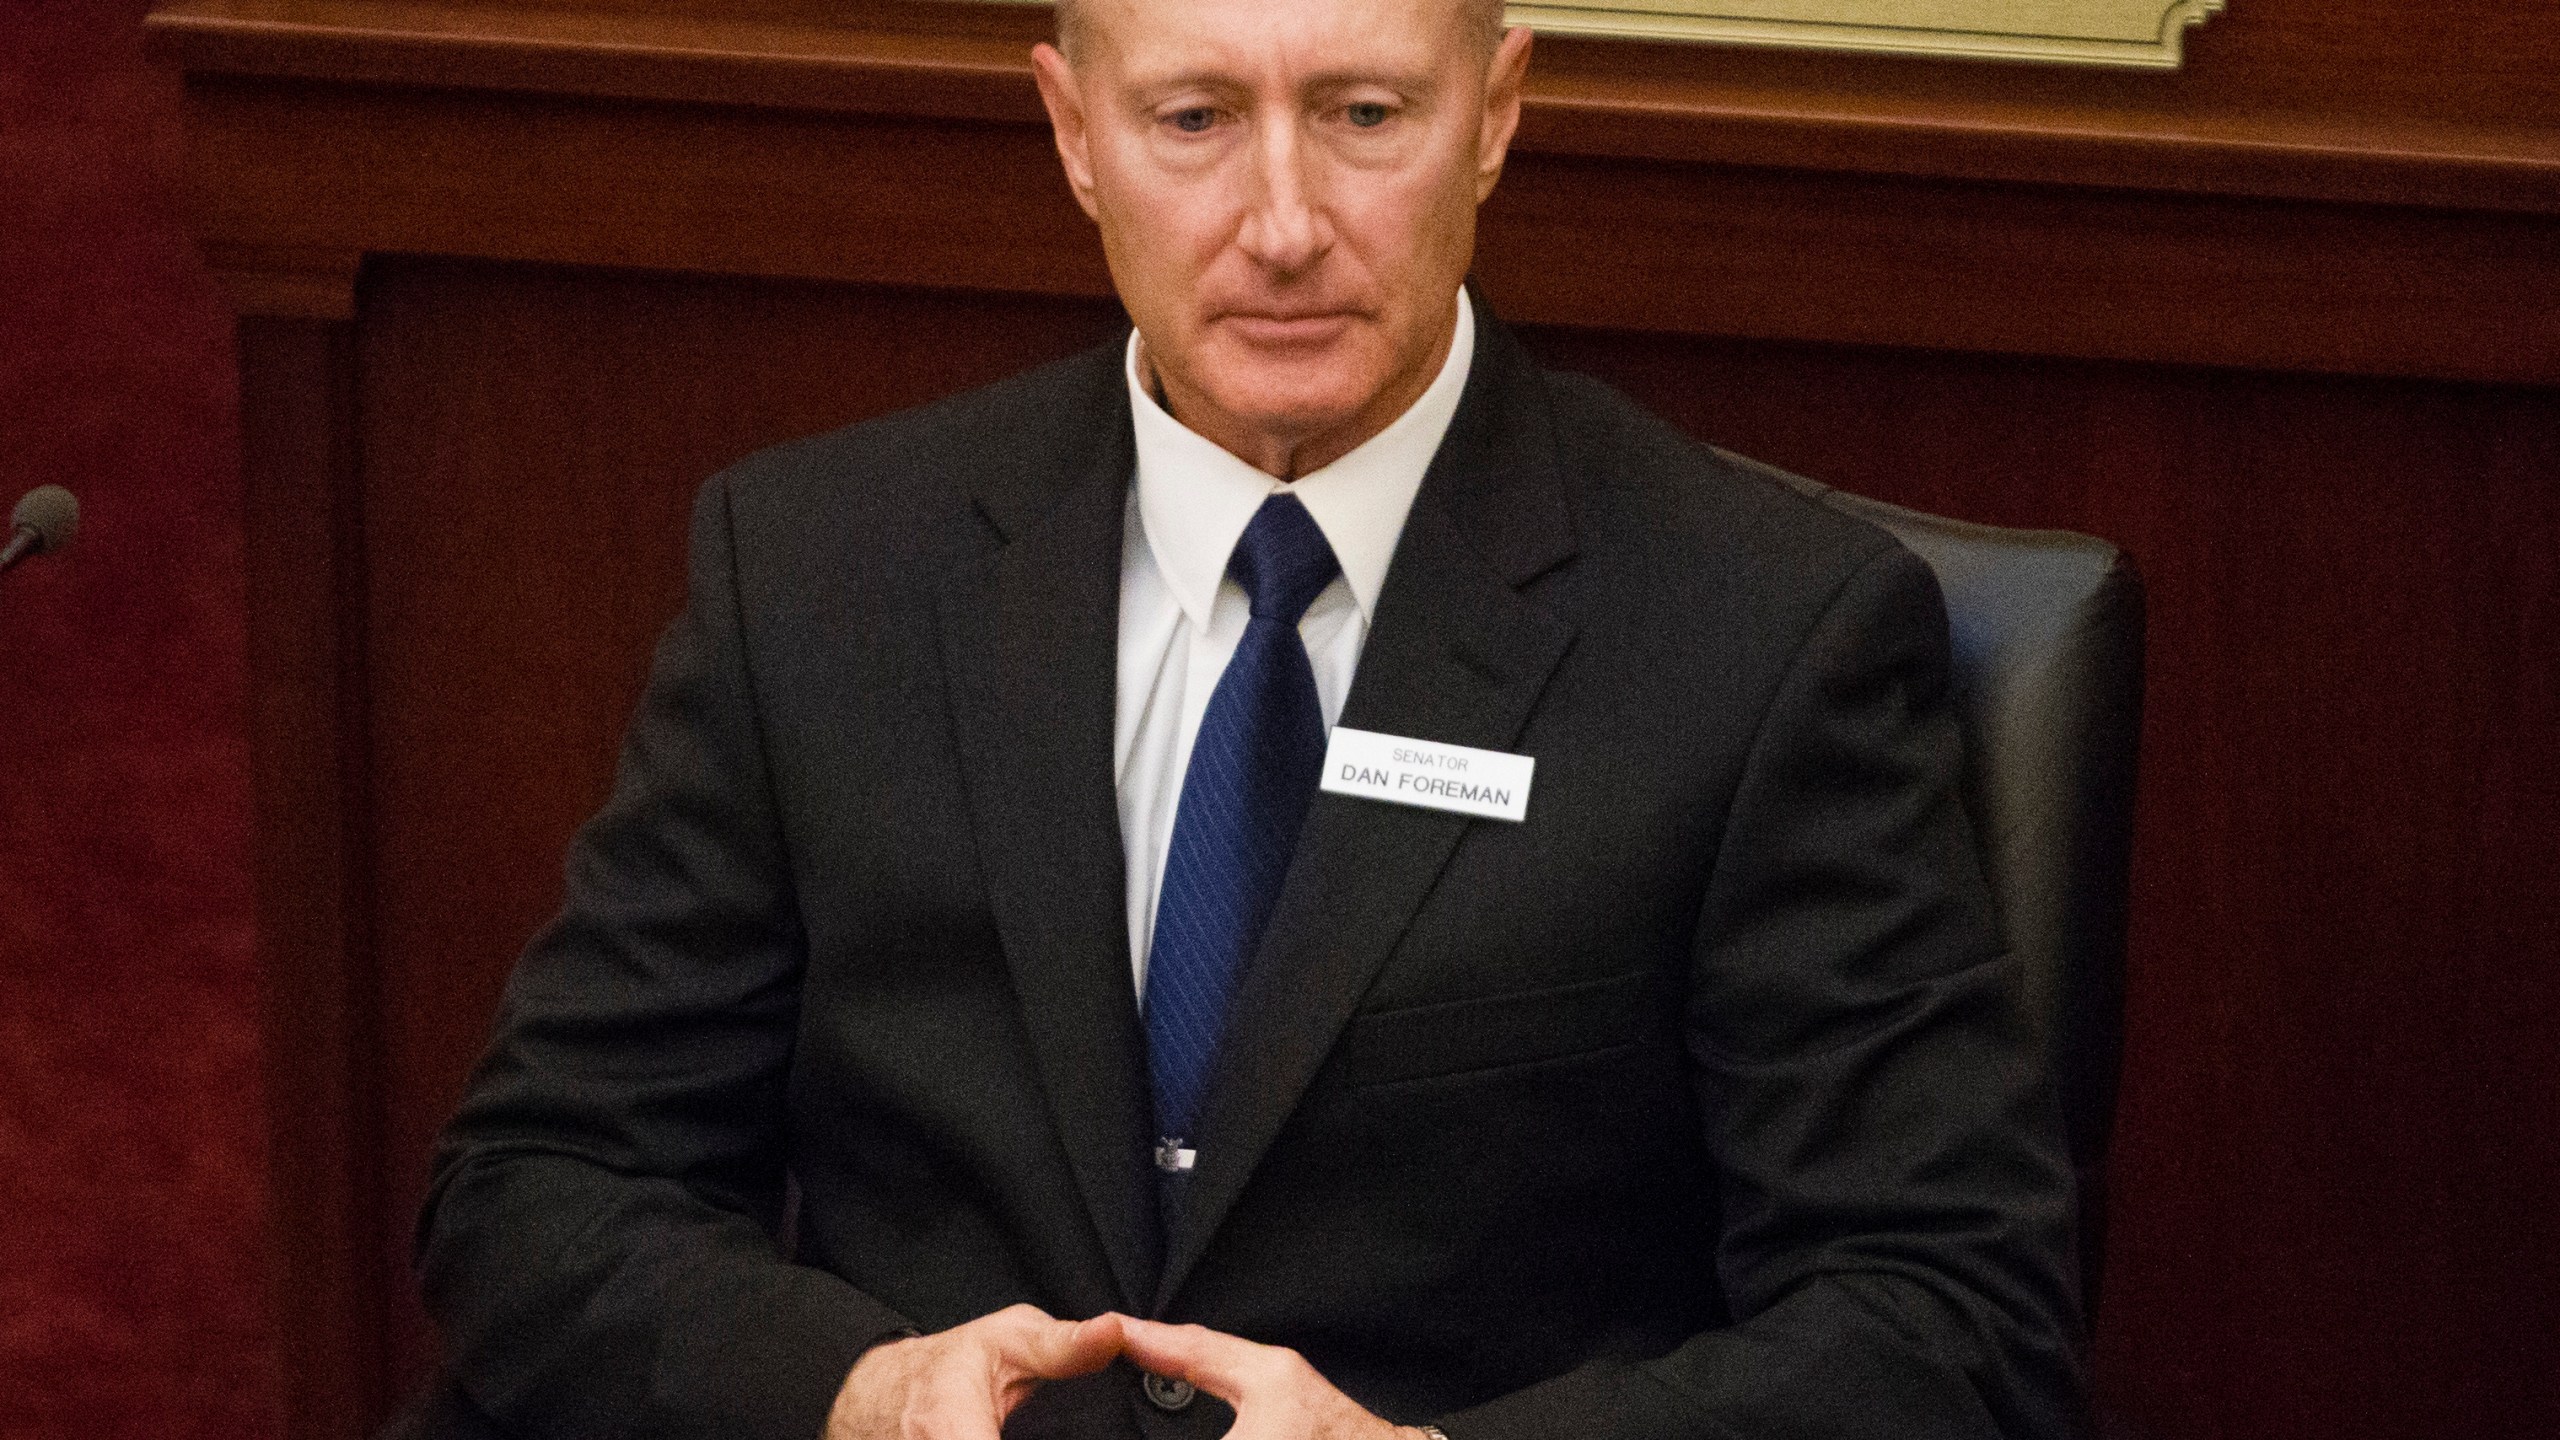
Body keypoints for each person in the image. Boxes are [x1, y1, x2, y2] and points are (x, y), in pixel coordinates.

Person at [414, 0, 2085, 1436]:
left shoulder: (1763, 631)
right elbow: (538, 1187)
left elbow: (1945, 1313)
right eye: (1195, 118)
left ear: (1494, 115)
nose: (1282, 222)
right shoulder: (816, 576)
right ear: (1077, 133)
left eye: (1365, 115)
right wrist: (852, 1390)